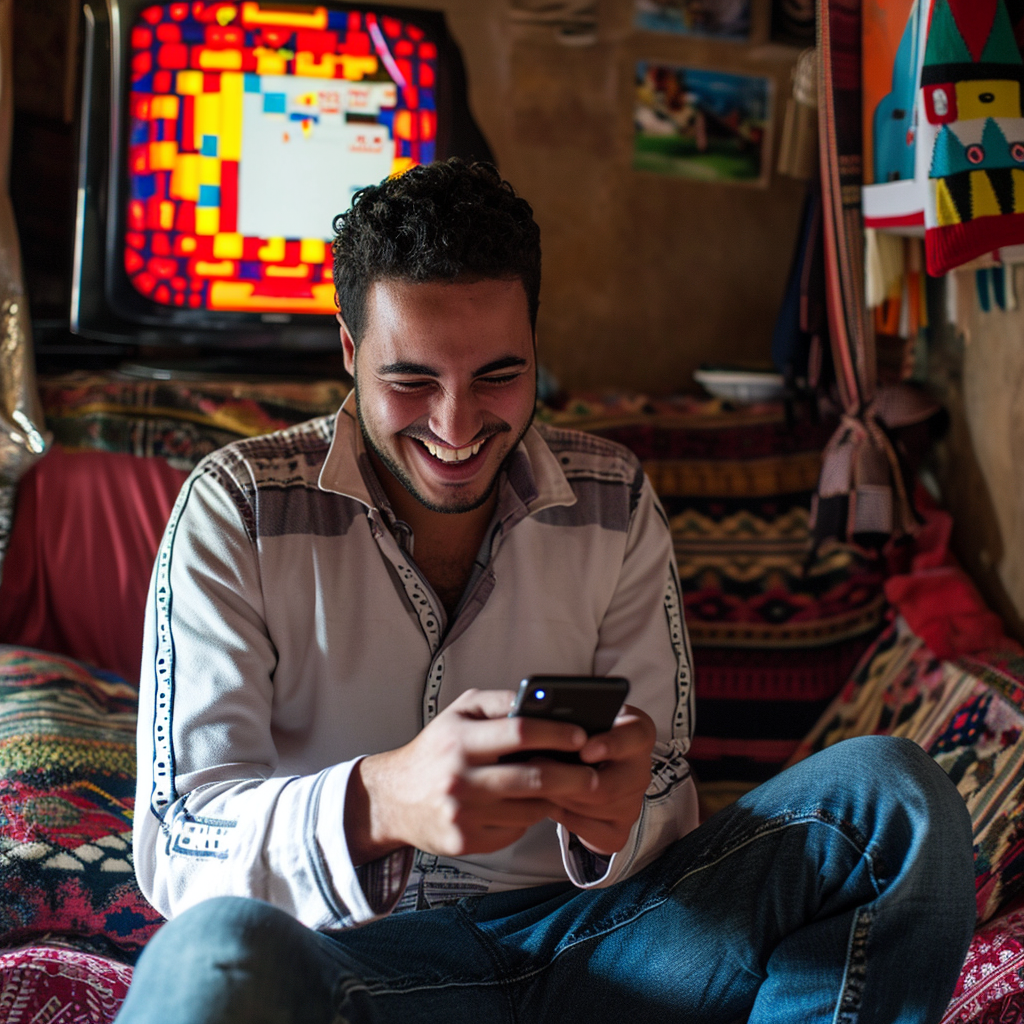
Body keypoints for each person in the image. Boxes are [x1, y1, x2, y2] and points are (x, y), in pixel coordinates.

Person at [116, 159, 976, 1024]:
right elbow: (181, 844)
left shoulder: (617, 499)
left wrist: (617, 820)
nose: (457, 427)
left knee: (890, 803)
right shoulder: (237, 508)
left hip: (600, 951)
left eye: (498, 374)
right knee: (208, 960)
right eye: (411, 380)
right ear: (349, 349)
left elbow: (666, 796)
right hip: (346, 969)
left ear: (535, 341)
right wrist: (379, 802)